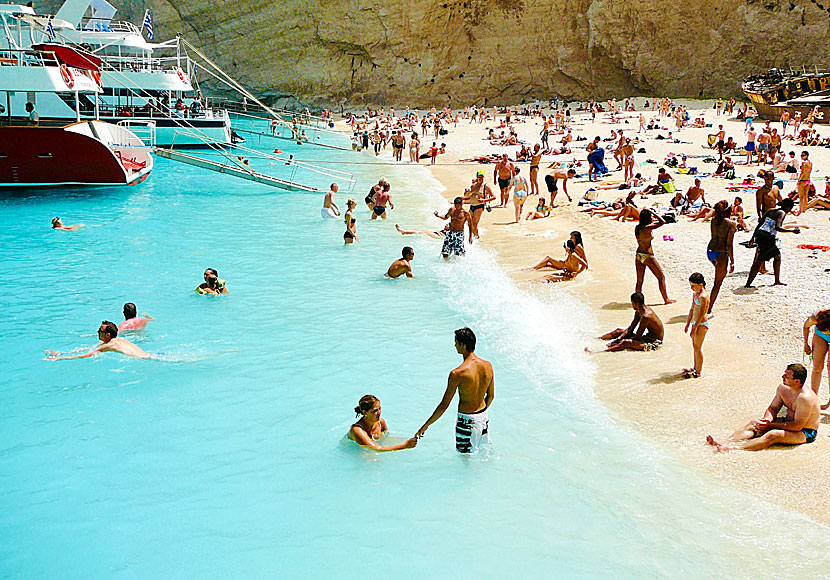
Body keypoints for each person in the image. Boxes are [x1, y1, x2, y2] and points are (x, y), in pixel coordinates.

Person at [415, 327, 494, 454]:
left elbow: (443, 406)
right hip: (484, 418)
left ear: (463, 345)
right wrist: (479, 416)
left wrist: (426, 425)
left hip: (466, 422)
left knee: (465, 459)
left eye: (456, 342)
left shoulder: (457, 373)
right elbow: (490, 396)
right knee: (483, 453)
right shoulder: (488, 366)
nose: (454, 345)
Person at [706, 364, 819, 451]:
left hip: (805, 432)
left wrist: (770, 426)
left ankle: (734, 449)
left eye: (786, 376)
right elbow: (773, 408)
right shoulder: (783, 388)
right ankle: (726, 441)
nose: (782, 377)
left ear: (797, 381)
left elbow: (797, 426)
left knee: (773, 434)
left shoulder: (805, 398)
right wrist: (766, 421)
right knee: (755, 423)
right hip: (788, 423)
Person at [745, 198, 800, 288]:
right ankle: (749, 284)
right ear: (788, 207)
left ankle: (776, 280)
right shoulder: (782, 213)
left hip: (759, 234)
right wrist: (792, 231)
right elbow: (778, 227)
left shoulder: (770, 210)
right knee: (759, 262)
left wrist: (752, 237)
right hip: (767, 237)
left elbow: (760, 224)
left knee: (776, 256)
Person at [44, 321, 151, 360]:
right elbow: (87, 349)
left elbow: (85, 355)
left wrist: (59, 359)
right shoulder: (113, 340)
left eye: (100, 330)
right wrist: (59, 353)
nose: (97, 331)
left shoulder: (109, 345)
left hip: (148, 359)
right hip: (150, 355)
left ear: (107, 335)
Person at [348, 395, 418, 452]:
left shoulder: (381, 422)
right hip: (352, 451)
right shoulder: (357, 430)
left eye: (380, 408)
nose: (379, 413)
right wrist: (404, 446)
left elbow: (386, 439)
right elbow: (377, 449)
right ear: (365, 412)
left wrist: (408, 440)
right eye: (375, 411)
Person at [634, 209, 675, 304]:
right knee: (661, 278)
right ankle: (666, 299)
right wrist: (653, 213)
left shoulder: (638, 228)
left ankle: (637, 301)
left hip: (639, 255)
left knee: (640, 280)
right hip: (648, 256)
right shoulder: (647, 228)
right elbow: (663, 222)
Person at [599, 292, 664, 351]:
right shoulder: (639, 311)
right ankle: (596, 340)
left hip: (655, 343)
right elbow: (631, 328)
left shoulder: (646, 317)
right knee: (618, 331)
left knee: (626, 343)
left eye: (632, 303)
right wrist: (620, 337)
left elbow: (637, 337)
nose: (631, 305)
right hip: (647, 338)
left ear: (635, 303)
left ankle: (601, 352)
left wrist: (618, 342)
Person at [706, 200, 736, 313]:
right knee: (717, 283)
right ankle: (708, 308)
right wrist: (732, 261)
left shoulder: (713, 221)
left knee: (717, 277)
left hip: (710, 251)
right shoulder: (731, 224)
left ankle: (706, 303)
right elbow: (729, 244)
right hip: (721, 253)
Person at [683, 272, 709, 379]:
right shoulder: (695, 294)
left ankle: (698, 371)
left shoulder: (703, 296)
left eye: (693, 285)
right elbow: (692, 309)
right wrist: (688, 323)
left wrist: (694, 328)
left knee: (698, 348)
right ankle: (695, 367)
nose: (691, 288)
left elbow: (702, 313)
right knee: (695, 347)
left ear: (701, 284)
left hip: (701, 324)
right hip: (695, 323)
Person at [803, 309, 830, 409]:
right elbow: (806, 327)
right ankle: (813, 399)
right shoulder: (815, 318)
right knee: (817, 367)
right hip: (820, 337)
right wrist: (806, 344)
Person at [463, 170, 495, 235]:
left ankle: (476, 238)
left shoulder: (485, 186)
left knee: (474, 224)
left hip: (479, 206)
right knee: (469, 223)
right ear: (477, 177)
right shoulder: (473, 186)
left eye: (482, 177)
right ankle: (472, 238)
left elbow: (494, 197)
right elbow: (468, 196)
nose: (481, 178)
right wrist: (465, 194)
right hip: (472, 205)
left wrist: (483, 201)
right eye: (479, 176)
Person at [796, 150, 813, 215]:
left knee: (801, 197)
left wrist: (799, 180)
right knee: (806, 196)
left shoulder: (803, 163)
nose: (801, 157)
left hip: (803, 180)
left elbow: (803, 172)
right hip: (808, 180)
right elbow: (809, 171)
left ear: (807, 156)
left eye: (803, 155)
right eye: (801, 155)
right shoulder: (810, 162)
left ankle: (800, 210)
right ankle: (804, 209)